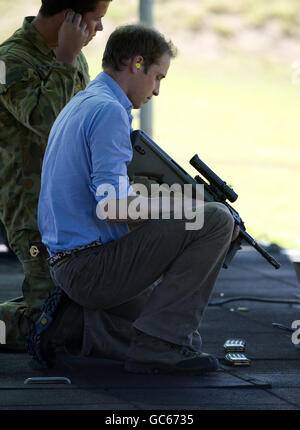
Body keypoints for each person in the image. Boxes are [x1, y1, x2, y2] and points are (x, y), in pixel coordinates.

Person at [37, 24, 239, 375]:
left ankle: (85, 329)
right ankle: (156, 347)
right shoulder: (110, 112)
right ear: (136, 63)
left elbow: (110, 196)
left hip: (71, 265)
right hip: (89, 268)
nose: (157, 90)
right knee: (217, 219)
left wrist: (176, 204)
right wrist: (191, 207)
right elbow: (113, 207)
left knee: (181, 336)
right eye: (157, 76)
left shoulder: (85, 102)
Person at [0, 0, 111, 350]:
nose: (100, 29)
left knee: (76, 311)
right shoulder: (9, 60)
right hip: (31, 208)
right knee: (54, 329)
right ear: (71, 18)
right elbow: (47, 122)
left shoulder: (74, 56)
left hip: (71, 202)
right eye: (96, 20)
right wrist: (64, 58)